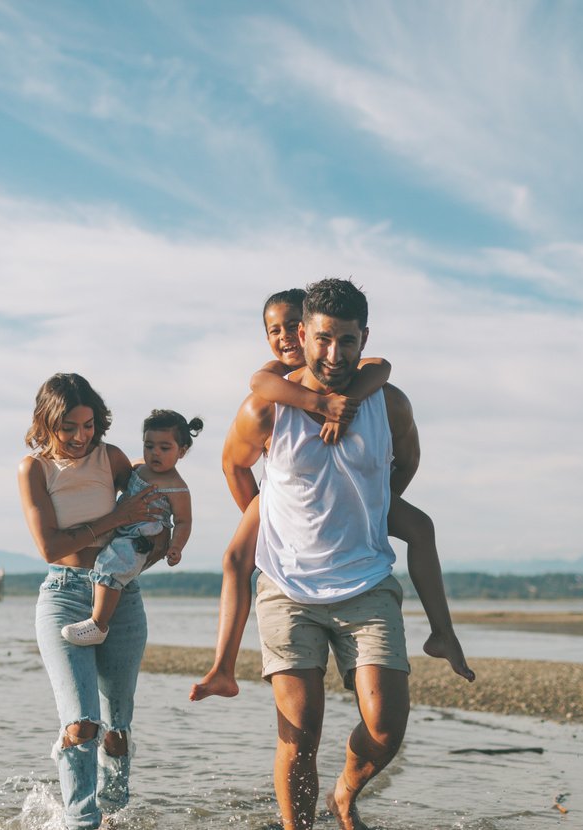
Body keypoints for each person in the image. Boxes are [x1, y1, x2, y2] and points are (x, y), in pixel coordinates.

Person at [196, 280, 470, 830]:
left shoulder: (388, 404)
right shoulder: (266, 410)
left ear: (363, 338)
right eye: (323, 339)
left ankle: (344, 794)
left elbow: (407, 460)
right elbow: (232, 464)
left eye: (348, 341)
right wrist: (268, 514)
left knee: (387, 726)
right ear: (303, 334)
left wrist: (368, 503)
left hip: (367, 582)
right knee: (300, 733)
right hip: (286, 589)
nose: (335, 354)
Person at [17, 373, 169, 829]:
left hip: (121, 597)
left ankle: (115, 814)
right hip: (63, 596)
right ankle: (81, 821)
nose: (81, 436)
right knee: (83, 723)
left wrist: (152, 547)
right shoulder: (34, 469)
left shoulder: (113, 458)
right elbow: (50, 547)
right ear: (47, 423)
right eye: (69, 427)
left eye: (88, 425)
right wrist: (116, 519)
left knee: (116, 730)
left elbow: (153, 512)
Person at [62, 408, 202, 646]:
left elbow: (183, 521)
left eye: (164, 448)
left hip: (141, 538)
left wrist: (176, 546)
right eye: (149, 446)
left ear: (182, 451)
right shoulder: (138, 469)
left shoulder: (177, 487)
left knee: (111, 566)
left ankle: (99, 624)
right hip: (121, 528)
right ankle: (96, 611)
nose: (154, 453)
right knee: (103, 561)